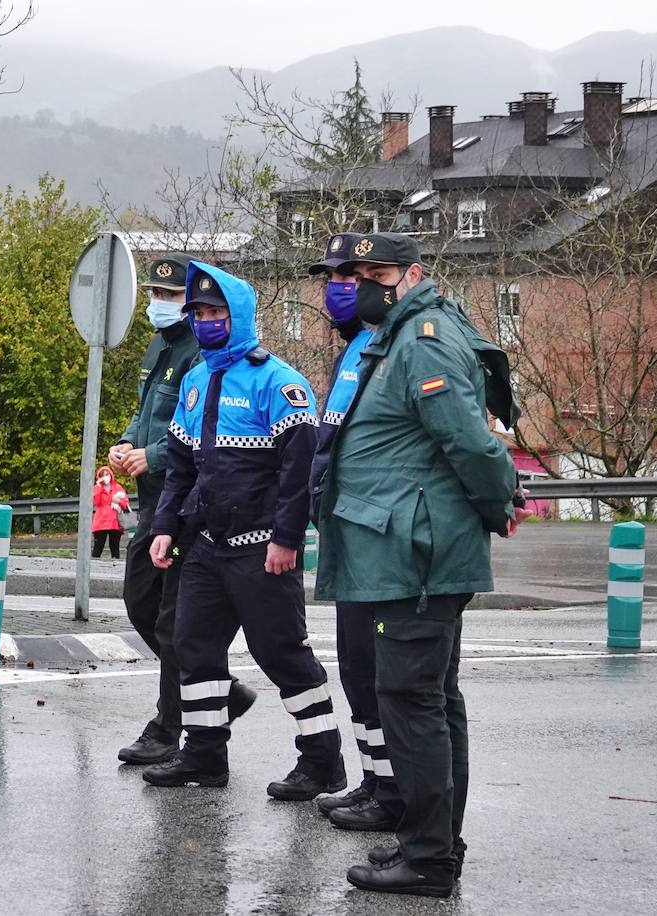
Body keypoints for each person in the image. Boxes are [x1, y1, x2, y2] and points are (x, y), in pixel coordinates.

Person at [315, 232, 530, 897]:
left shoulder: (424, 339)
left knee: (413, 703)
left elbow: (468, 440)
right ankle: (432, 844)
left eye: (375, 271)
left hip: (416, 554)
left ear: (411, 275)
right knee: (430, 702)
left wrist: (501, 503)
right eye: (355, 272)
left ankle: (431, 859)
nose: (360, 283)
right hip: (406, 548)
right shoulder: (400, 336)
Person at [141, 260, 347, 802]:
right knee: (193, 649)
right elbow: (182, 467)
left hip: (263, 550)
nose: (206, 321)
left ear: (241, 316)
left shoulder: (279, 382)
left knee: (281, 654)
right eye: (200, 313)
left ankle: (323, 761)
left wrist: (287, 539)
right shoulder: (194, 379)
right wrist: (165, 528)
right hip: (206, 546)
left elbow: (299, 472)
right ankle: (205, 756)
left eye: (216, 313)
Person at [111, 254, 257, 766]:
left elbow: (202, 432)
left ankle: (170, 727)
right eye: (156, 295)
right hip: (154, 499)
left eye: (172, 298)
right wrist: (128, 441)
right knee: (142, 605)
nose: (161, 304)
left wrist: (148, 455)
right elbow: (145, 410)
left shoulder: (202, 351)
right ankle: (221, 690)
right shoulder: (160, 346)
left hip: (184, 501)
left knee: (176, 621)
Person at [306, 233, 402, 830]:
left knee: (377, 672)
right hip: (344, 535)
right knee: (354, 670)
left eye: (353, 276)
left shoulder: (391, 347)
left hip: (378, 539)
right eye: (333, 277)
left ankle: (393, 793)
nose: (341, 287)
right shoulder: (353, 351)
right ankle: (374, 779)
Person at [91, 466, 128, 559]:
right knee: (97, 548)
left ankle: (115, 569)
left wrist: (118, 501)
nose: (105, 477)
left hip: (115, 522)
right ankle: (94, 568)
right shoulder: (97, 488)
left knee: (115, 548)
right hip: (101, 522)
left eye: (107, 474)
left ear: (111, 475)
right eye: (102, 475)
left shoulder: (117, 487)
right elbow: (95, 502)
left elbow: (126, 503)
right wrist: (99, 487)